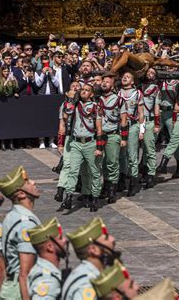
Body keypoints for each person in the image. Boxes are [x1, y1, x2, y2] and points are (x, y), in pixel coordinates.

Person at [0, 166, 41, 300]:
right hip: (21, 291)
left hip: (12, 286)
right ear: (21, 194)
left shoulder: (12, 215)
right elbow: (24, 272)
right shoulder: (26, 224)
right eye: (28, 182)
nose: (33, 183)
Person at [57, 83, 103, 212]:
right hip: (76, 143)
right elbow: (66, 116)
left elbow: (99, 129)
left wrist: (99, 147)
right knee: (73, 171)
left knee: (94, 172)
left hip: (90, 142)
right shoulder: (75, 105)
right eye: (82, 90)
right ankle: (69, 196)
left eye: (87, 90)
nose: (83, 92)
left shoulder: (95, 107)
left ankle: (95, 197)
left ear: (92, 94)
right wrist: (71, 99)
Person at [62, 218, 118, 300]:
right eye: (106, 238)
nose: (112, 239)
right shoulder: (86, 284)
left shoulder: (91, 274)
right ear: (94, 250)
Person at [98, 72, 127, 203]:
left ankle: (112, 189)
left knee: (112, 163)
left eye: (107, 81)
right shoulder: (97, 99)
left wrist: (124, 138)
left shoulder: (118, 99)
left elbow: (124, 119)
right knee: (102, 163)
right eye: (103, 81)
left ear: (113, 85)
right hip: (100, 135)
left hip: (112, 135)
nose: (104, 83)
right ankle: (105, 186)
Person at [27, 217, 68, 300]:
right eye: (60, 238)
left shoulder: (43, 269)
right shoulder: (47, 280)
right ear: (50, 247)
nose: (64, 240)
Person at [118, 72, 145, 196]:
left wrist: (142, 129)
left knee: (132, 155)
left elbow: (141, 113)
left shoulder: (137, 93)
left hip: (132, 125)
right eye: (124, 76)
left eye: (128, 77)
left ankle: (133, 183)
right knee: (121, 154)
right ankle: (122, 179)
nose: (125, 77)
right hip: (119, 125)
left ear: (133, 81)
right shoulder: (117, 93)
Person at [139, 68, 161, 189]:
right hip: (136, 121)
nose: (149, 74)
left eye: (153, 73)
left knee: (149, 149)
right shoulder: (138, 86)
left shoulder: (155, 89)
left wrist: (157, 124)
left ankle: (151, 174)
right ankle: (141, 171)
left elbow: (156, 106)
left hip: (149, 120)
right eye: (148, 72)